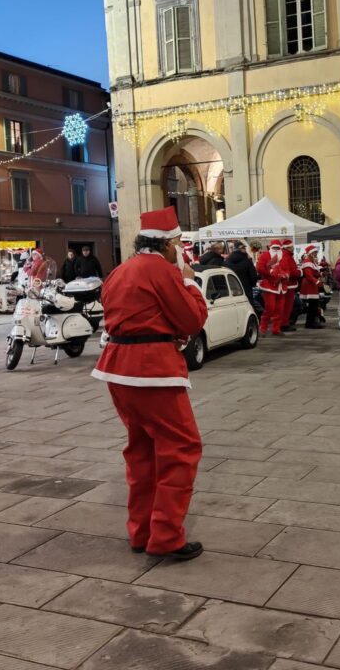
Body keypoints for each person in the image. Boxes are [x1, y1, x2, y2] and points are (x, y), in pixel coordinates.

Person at [92, 206, 208, 561]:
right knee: (180, 449)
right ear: (168, 244)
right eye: (178, 243)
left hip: (117, 369)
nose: (180, 250)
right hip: (153, 371)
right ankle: (167, 537)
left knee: (141, 451)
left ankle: (140, 532)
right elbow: (192, 319)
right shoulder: (161, 270)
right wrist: (189, 281)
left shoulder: (120, 270)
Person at [256, 240, 287, 336]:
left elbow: (287, 268)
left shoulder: (283, 256)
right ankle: (262, 328)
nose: (276, 249)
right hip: (269, 285)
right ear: (270, 247)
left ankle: (276, 329)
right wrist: (270, 272)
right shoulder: (265, 255)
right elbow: (260, 268)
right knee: (270, 308)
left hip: (281, 285)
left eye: (278, 248)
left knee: (280, 309)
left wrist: (286, 274)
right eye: (274, 247)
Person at [225, 240, 258, 305]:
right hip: (246, 289)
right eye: (244, 248)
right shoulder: (247, 261)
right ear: (241, 249)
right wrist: (252, 284)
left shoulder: (227, 261)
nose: (245, 249)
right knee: (248, 307)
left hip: (232, 289)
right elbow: (253, 276)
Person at [278, 239, 301, 333]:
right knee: (287, 306)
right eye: (292, 247)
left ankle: (283, 323)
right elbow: (291, 272)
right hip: (289, 284)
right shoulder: (286, 257)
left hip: (287, 284)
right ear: (287, 248)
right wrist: (300, 272)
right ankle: (284, 324)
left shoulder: (285, 256)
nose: (293, 248)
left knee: (286, 305)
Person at [300, 245, 323, 329]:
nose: (316, 254)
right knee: (312, 304)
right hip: (309, 285)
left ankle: (311, 322)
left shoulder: (312, 262)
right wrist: (317, 281)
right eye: (314, 252)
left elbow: (312, 273)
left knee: (313, 304)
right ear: (310, 253)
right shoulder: (307, 261)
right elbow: (308, 275)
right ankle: (310, 323)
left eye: (316, 252)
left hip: (312, 284)